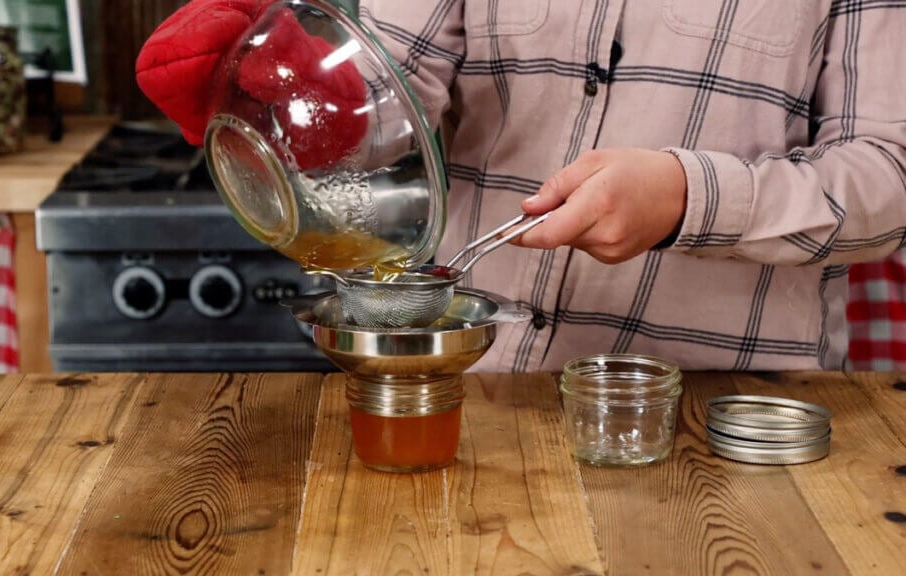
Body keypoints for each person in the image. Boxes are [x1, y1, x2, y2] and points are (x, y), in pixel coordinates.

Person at [354, 0, 906, 372]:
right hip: (477, 385)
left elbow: (888, 178)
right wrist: (320, 96)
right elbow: (385, 91)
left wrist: (688, 199)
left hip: (727, 418)